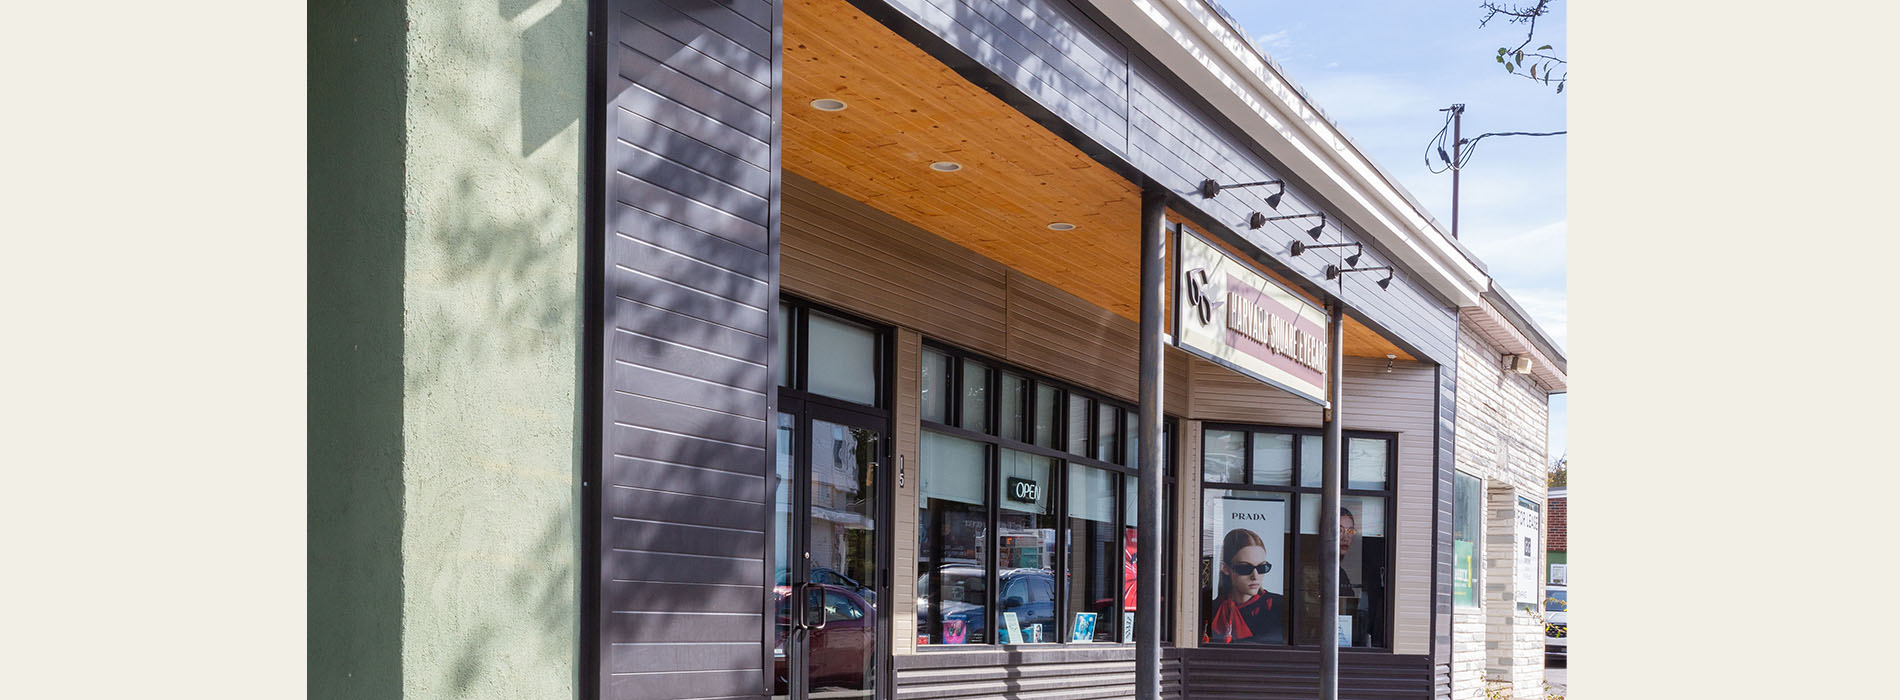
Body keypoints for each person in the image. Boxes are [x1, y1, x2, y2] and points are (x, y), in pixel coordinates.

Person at [1204, 528, 1285, 644]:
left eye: (1262, 567)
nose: (1255, 576)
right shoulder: (1210, 607)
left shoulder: (1278, 605)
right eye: (1245, 568)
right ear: (1225, 568)